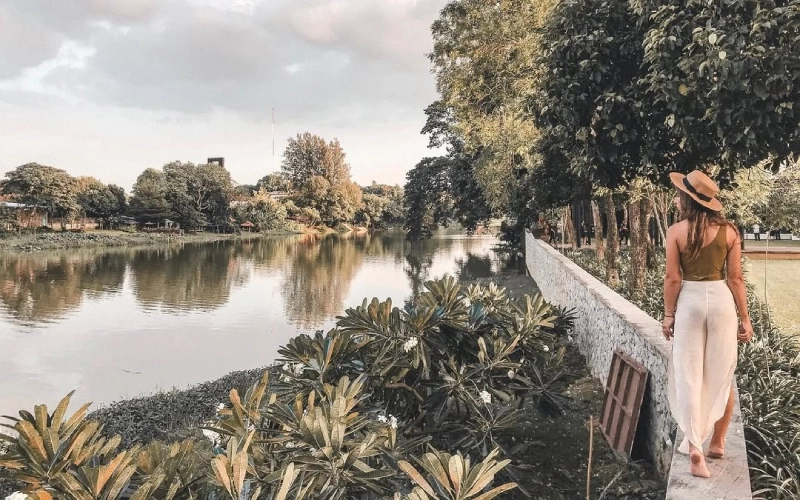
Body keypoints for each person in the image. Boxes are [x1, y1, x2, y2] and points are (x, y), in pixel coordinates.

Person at [661, 170, 753, 479]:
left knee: (688, 373)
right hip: (721, 302)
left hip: (690, 303)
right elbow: (735, 279)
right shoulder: (730, 232)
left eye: (679, 195)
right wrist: (745, 318)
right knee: (722, 373)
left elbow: (673, 278)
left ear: (688, 199)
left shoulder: (676, 231)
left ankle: (695, 447)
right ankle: (717, 443)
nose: (676, 199)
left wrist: (669, 314)